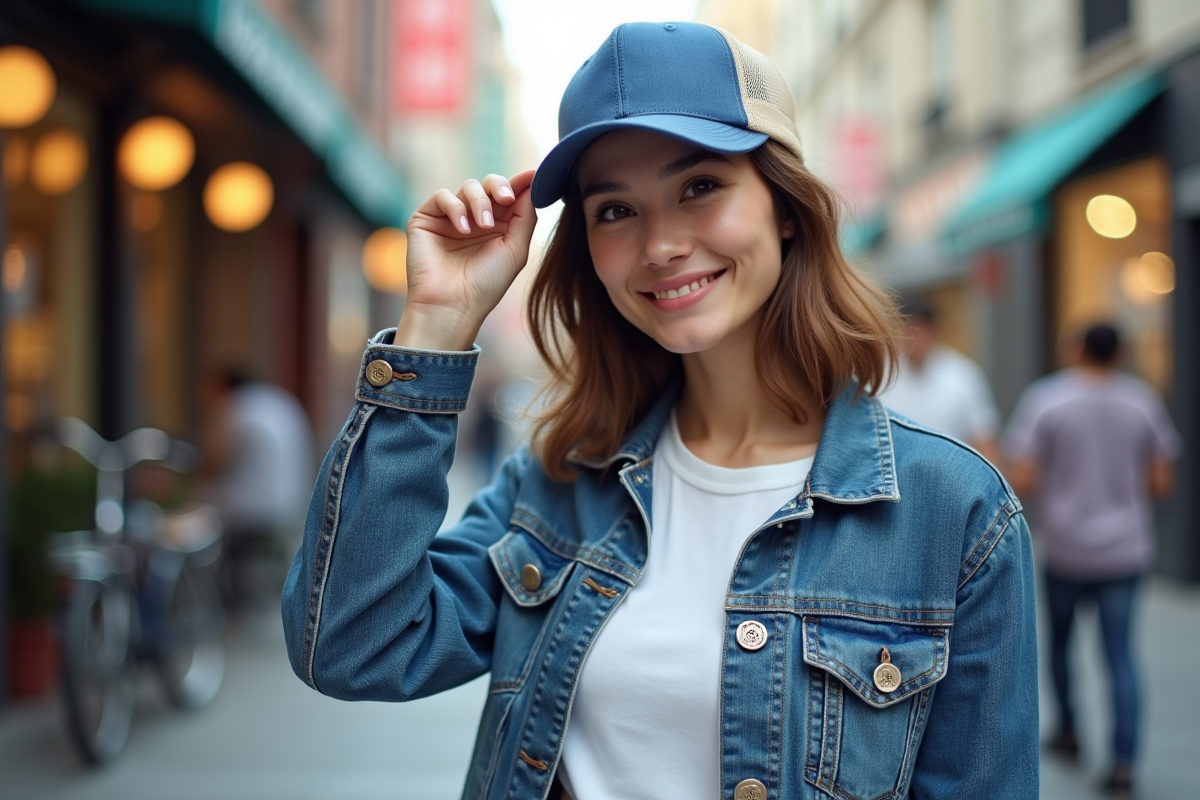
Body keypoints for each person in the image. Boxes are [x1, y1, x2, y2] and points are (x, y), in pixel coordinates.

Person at [282, 22, 1038, 800]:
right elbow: (352, 645)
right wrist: (436, 325)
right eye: (615, 211)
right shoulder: (556, 486)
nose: (661, 245)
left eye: (700, 187)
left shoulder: (955, 515)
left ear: (783, 206)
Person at [1005, 323, 1179, 798]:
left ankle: (1068, 732)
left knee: (1059, 645)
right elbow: (1162, 481)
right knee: (1120, 654)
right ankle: (1123, 761)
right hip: (1126, 548)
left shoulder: (1047, 399)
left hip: (1065, 547)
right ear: (1121, 354)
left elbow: (1023, 476)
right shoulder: (1143, 401)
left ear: (1077, 350)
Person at [203, 370, 314, 605]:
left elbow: (216, 460)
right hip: (292, 502)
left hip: (252, 508)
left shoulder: (236, 407)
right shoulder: (277, 402)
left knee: (198, 503)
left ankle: (216, 591)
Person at [880, 298, 1001, 463]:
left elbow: (984, 439)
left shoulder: (963, 374)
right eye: (910, 331)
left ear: (934, 332)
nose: (915, 340)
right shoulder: (882, 376)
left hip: (951, 474)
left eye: (921, 331)